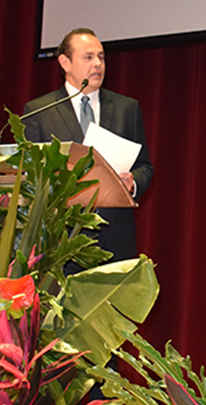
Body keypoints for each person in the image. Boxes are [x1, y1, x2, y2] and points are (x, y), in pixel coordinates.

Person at [23, 28, 153, 262]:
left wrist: (132, 182)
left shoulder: (126, 108)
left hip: (114, 237)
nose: (98, 64)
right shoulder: (40, 111)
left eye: (101, 57)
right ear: (65, 62)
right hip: (60, 241)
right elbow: (30, 176)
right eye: (88, 57)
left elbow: (145, 167)